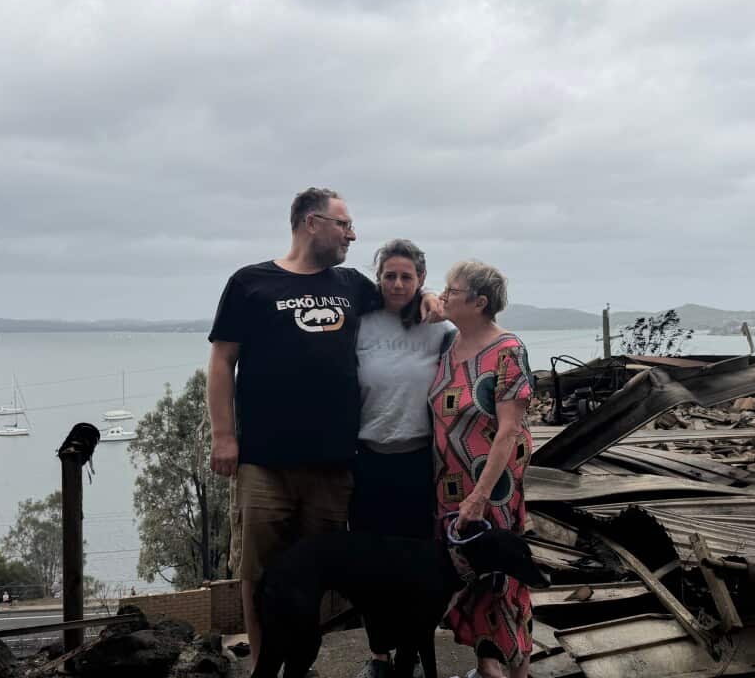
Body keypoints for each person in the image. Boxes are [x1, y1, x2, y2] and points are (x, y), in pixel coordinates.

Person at [207, 188, 439, 665]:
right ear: (312, 223)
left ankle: (302, 665)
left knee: (322, 573)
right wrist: (224, 436)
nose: (352, 235)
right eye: (344, 225)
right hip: (264, 462)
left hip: (333, 467)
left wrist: (432, 295)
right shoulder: (250, 282)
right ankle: (264, 665)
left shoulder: (352, 283)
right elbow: (221, 360)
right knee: (261, 574)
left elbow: (403, 292)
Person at [429, 260, 535, 678]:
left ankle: (519, 669)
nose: (445, 295)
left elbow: (509, 431)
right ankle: (486, 666)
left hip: (493, 487)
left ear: (479, 302)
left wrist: (480, 495)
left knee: (502, 578)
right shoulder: (449, 345)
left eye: (452, 291)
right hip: (449, 487)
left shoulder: (508, 350)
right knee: (466, 575)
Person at [352, 239, 453, 674]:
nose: (397, 284)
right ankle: (379, 655)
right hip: (367, 462)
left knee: (415, 567)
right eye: (389, 275)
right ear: (379, 278)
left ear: (421, 280)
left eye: (406, 276)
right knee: (371, 565)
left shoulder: (441, 329)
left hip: (417, 464)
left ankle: (412, 655)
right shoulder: (360, 322)